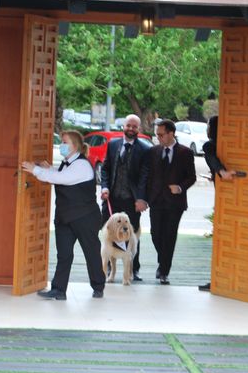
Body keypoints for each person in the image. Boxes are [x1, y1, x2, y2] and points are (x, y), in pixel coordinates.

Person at [22, 130, 106, 300]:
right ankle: (59, 290)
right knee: (64, 254)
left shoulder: (82, 164)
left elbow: (62, 179)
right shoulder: (68, 163)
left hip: (85, 217)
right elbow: (62, 175)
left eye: (65, 142)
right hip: (65, 217)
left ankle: (98, 286)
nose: (62, 145)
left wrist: (35, 170)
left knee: (91, 252)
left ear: (75, 146)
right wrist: (49, 168)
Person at [100, 114, 151, 281]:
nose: (131, 129)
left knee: (132, 233)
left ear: (139, 129)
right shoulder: (113, 144)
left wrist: (141, 199)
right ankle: (107, 268)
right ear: (123, 126)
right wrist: (105, 187)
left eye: (135, 126)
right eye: (129, 125)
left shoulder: (144, 149)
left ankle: (133, 269)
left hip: (131, 200)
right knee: (108, 232)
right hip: (112, 198)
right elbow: (105, 168)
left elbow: (145, 176)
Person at [146, 119, 196, 285]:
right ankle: (163, 260)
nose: (158, 138)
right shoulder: (153, 151)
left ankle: (164, 270)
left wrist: (180, 188)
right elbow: (149, 176)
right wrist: (145, 198)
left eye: (161, 134)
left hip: (175, 203)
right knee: (155, 234)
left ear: (171, 133)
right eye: (157, 135)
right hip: (156, 200)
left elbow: (192, 177)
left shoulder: (185, 152)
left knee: (169, 235)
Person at [198, 116, 237, 292]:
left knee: (222, 238)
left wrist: (221, 172)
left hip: (225, 199)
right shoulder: (232, 143)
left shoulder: (210, 145)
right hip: (237, 198)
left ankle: (220, 279)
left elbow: (213, 160)